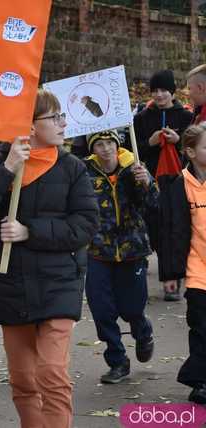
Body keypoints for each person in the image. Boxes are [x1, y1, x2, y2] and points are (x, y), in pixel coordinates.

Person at [0, 89, 99, 428]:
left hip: (58, 284)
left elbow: (85, 225)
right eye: (55, 117)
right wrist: (5, 169)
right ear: (30, 126)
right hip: (12, 286)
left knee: (51, 372)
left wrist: (29, 231)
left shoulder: (72, 168)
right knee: (23, 380)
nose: (64, 123)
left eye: (62, 116)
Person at [83, 130, 158, 384]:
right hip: (97, 251)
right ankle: (117, 360)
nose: (105, 149)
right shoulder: (85, 172)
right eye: (99, 144)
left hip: (131, 249)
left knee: (131, 307)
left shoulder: (134, 168)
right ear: (93, 148)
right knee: (102, 310)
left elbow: (153, 205)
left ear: (118, 145)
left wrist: (146, 182)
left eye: (109, 143)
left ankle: (143, 332)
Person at [134, 70, 193, 301]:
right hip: (149, 179)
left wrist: (178, 142)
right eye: (155, 91)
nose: (159, 95)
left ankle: (172, 281)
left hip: (177, 180)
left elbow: (194, 148)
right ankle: (149, 267)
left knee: (173, 228)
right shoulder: (142, 118)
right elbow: (132, 149)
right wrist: (149, 142)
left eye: (163, 90)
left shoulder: (186, 117)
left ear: (172, 92)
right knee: (153, 227)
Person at [158, 123, 206, 405]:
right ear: (190, 151)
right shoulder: (180, 185)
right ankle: (200, 380)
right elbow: (172, 231)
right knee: (201, 327)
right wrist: (170, 272)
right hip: (198, 271)